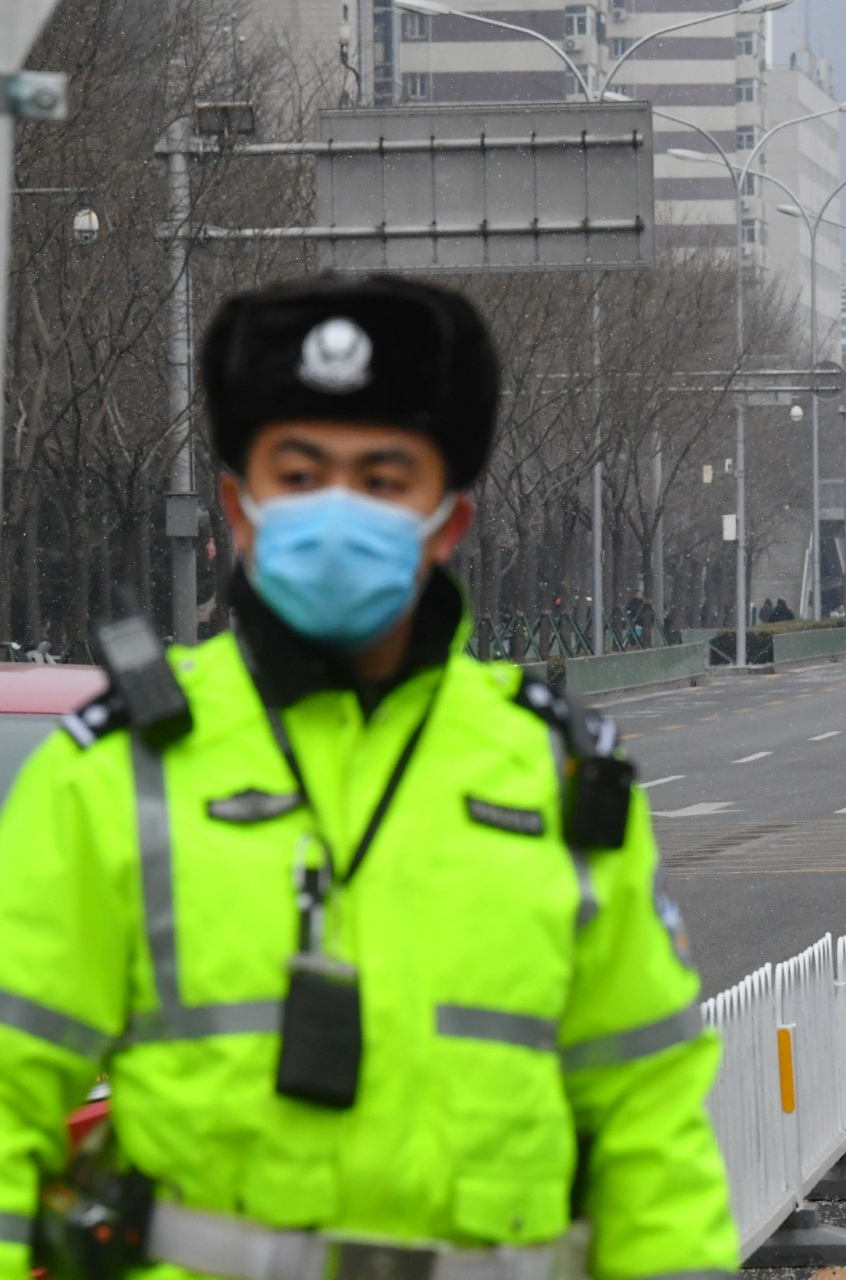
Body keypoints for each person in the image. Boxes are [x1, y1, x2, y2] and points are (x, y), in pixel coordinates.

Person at [0, 277, 739, 1277]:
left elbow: (650, 1130)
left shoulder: (557, 772)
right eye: (300, 476)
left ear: (448, 521)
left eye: (383, 480)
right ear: (239, 508)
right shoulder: (111, 773)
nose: (337, 512)